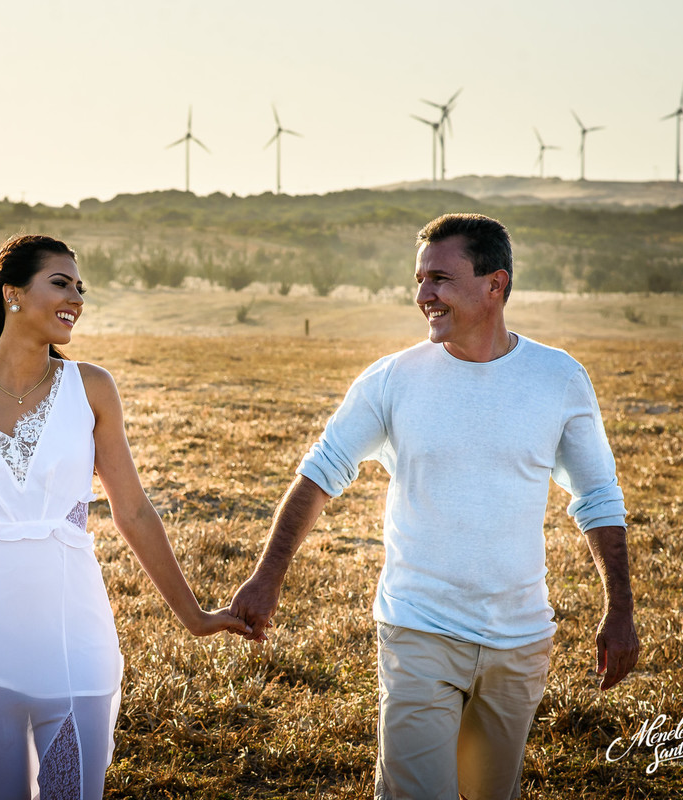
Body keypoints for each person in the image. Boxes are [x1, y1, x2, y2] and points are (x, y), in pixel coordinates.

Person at [230, 213, 639, 799]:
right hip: (419, 630)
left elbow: (598, 498)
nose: (424, 296)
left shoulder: (558, 378)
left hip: (519, 641)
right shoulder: (393, 379)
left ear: (494, 285)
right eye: (420, 280)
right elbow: (319, 475)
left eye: (440, 279)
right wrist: (267, 576)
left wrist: (618, 607)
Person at [0, 234, 247, 800]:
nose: (77, 299)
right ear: (13, 294)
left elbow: (133, 511)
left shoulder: (91, 389)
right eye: (60, 283)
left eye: (80, 288)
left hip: (75, 641)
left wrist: (195, 616)